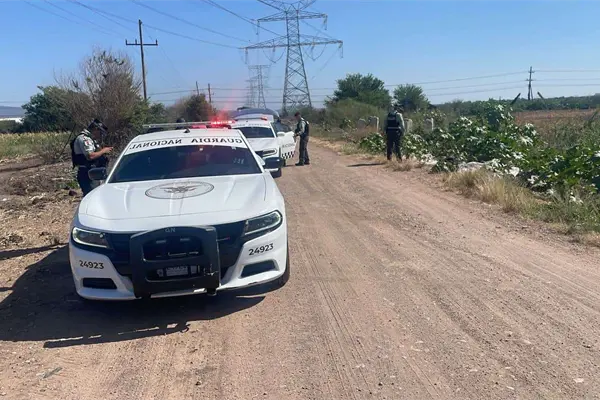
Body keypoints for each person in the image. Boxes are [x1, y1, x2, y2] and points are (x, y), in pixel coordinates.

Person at [70, 119, 113, 197]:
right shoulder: (84, 139)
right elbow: (90, 156)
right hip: (87, 172)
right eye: (100, 132)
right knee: (92, 196)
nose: (100, 135)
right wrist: (103, 151)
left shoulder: (91, 139)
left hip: (93, 171)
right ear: (95, 129)